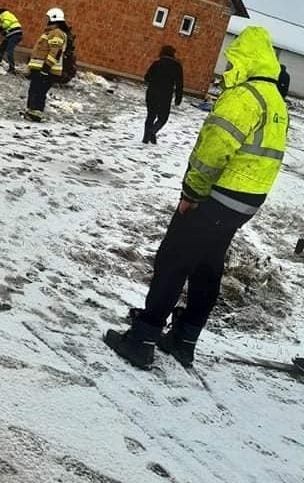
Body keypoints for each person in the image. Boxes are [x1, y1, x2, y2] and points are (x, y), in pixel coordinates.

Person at [104, 26, 288, 370]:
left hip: (217, 196)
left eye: (233, 59)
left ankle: (143, 338)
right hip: (247, 201)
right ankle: (185, 339)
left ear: (246, 59)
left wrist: (192, 193)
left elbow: (212, 151)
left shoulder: (244, 97)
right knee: (208, 266)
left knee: (174, 260)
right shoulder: (276, 100)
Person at [24, 7, 68, 122]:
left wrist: (46, 67)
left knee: (39, 91)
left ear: (54, 19)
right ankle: (31, 111)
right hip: (39, 69)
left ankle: (36, 113)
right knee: (34, 90)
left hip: (46, 70)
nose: (46, 20)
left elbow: (55, 51)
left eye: (48, 18)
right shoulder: (49, 32)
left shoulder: (57, 33)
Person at [143, 45, 184, 144]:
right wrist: (178, 98)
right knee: (163, 117)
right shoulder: (177, 66)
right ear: (172, 54)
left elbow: (146, 77)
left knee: (151, 115)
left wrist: (154, 81)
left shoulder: (157, 63)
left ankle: (145, 138)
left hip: (152, 92)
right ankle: (153, 131)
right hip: (165, 95)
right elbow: (180, 84)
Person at [0, 8, 23, 74]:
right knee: (3, 46)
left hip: (15, 35)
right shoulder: (10, 17)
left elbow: (5, 25)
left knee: (9, 51)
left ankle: (12, 68)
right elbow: (2, 34)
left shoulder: (4, 15)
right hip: (15, 34)